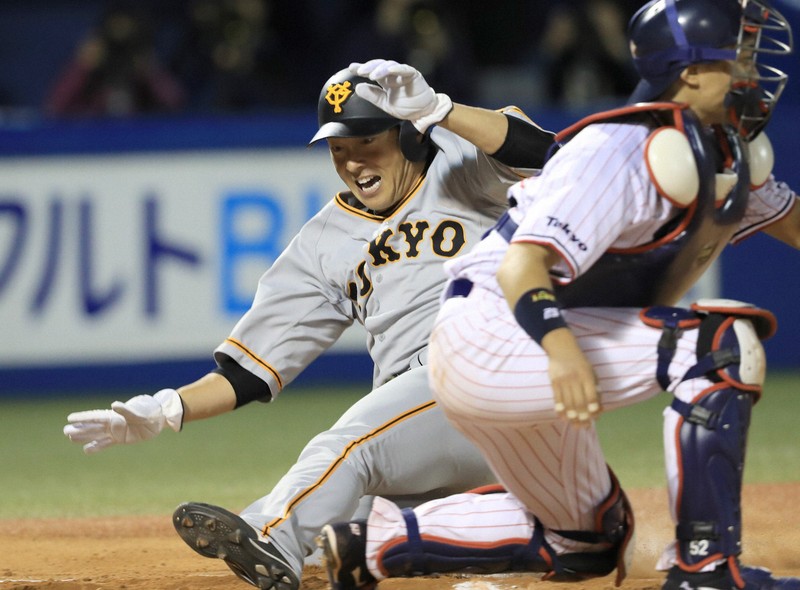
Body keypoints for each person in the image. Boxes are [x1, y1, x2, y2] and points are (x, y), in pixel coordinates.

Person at [317, 2, 800, 590]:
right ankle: (707, 570)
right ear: (692, 72)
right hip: (496, 334)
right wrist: (560, 348)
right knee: (719, 347)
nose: (753, 71)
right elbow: (524, 265)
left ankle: (371, 543)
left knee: (589, 538)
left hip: (510, 342)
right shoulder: (623, 148)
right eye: (740, 55)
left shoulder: (718, 151)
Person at [62, 58, 557, 590]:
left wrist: (441, 111)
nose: (352, 161)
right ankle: (519, 532)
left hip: (494, 373)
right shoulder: (322, 242)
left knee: (342, 448)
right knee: (352, 527)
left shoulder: (465, 164)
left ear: (409, 137)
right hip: (429, 425)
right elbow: (250, 370)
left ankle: (270, 534)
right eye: (338, 148)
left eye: (367, 141)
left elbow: (547, 154)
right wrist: (164, 409)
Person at [45, 2, 185, 117]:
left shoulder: (142, 62)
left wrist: (151, 73)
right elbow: (55, 107)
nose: (120, 31)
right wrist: (82, 67)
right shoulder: (92, 64)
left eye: (126, 26)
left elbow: (176, 104)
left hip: (139, 137)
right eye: (115, 26)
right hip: (94, 137)